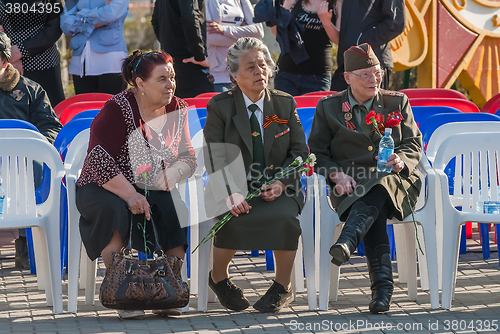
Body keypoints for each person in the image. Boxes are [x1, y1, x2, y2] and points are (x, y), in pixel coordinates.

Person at [75, 50, 197, 319]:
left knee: (172, 207)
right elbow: (98, 159)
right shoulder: (117, 109)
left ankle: (168, 289)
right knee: (114, 210)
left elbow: (188, 156)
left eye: (172, 77)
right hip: (102, 185)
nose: (170, 85)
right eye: (162, 79)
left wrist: (175, 173)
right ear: (139, 83)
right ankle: (124, 292)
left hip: (148, 184)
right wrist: (130, 194)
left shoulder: (179, 108)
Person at [308, 43, 422, 313]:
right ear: (347, 77)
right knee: (374, 201)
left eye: (378, 72)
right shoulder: (329, 107)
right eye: (366, 74)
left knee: (380, 184)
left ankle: (349, 240)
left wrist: (401, 159)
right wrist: (335, 173)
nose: (375, 79)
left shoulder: (396, 101)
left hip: (397, 180)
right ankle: (382, 289)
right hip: (349, 183)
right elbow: (317, 153)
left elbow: (413, 144)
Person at [203, 37, 308, 313]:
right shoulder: (220, 106)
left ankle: (282, 286)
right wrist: (230, 191)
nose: (260, 72)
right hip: (234, 184)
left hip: (278, 185)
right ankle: (219, 278)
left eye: (263, 65)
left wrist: (283, 181)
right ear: (234, 75)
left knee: (285, 217)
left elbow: (300, 153)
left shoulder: (285, 104)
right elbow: (214, 154)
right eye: (250, 67)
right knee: (232, 217)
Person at [0, 32, 62, 269]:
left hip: (21, 163)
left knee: (37, 165)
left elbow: (50, 126)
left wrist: (36, 147)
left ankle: (26, 245)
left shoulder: (31, 91)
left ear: (6, 61)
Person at [0, 0, 66, 107]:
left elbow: (55, 26)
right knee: (12, 115)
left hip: (44, 63)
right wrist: (10, 53)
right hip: (7, 65)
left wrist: (20, 50)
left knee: (49, 112)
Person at [330, 0, 405, 91]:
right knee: (337, 103)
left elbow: (395, 22)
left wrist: (361, 42)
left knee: (371, 105)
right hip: (346, 63)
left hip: (372, 65)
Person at [60, 0, 128, 95]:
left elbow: (110, 14)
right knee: (84, 108)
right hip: (81, 61)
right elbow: (65, 24)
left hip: (111, 60)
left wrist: (79, 15)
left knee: (112, 107)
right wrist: (97, 18)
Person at [274, 0, 340, 95]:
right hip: (286, 73)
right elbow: (278, 33)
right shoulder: (293, 1)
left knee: (314, 110)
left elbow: (339, 40)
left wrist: (326, 22)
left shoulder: (337, 3)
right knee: (285, 110)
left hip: (317, 76)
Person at [151, 0, 214, 98]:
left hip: (171, 60)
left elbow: (155, 20)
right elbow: (189, 17)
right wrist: (199, 56)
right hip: (190, 62)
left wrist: (169, 45)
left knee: (176, 109)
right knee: (202, 107)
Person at [206, 0, 264, 92]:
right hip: (218, 77)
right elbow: (211, 37)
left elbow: (258, 31)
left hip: (245, 75)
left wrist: (224, 30)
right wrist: (244, 32)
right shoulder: (207, 2)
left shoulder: (242, 1)